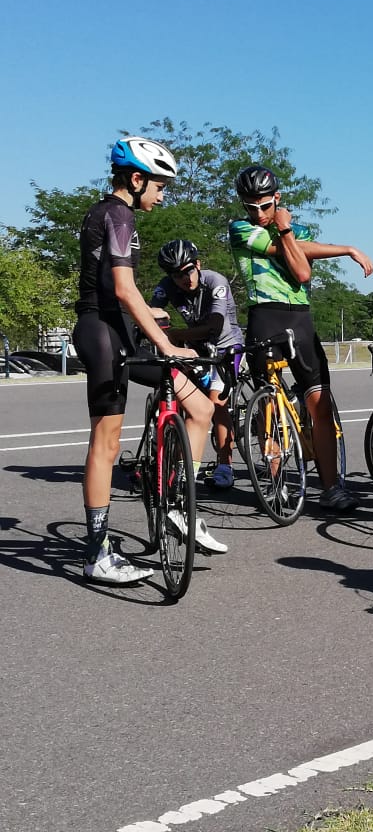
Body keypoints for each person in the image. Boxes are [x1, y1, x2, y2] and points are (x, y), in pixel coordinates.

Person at [74, 137, 226, 585]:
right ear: (137, 179)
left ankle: (178, 504)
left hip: (119, 327)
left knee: (199, 407)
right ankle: (97, 553)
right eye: (160, 186)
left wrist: (151, 315)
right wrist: (165, 343)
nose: (162, 195)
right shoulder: (117, 213)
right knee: (106, 441)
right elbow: (122, 289)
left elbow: (121, 289)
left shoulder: (117, 215)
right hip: (102, 332)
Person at [229, 164, 373, 512]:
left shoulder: (298, 230)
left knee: (319, 406)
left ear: (277, 198)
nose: (258, 213)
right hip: (265, 317)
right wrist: (288, 230)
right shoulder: (241, 229)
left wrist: (338, 246)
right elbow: (302, 270)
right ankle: (276, 483)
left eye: (265, 206)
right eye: (251, 207)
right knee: (269, 409)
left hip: (301, 319)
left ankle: (331, 487)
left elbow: (304, 255)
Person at [151, 239, 245, 488]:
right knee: (181, 398)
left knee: (217, 405)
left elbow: (214, 327)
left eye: (188, 271)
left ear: (198, 265)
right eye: (177, 275)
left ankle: (225, 467)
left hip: (226, 346)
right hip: (195, 348)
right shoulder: (166, 286)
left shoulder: (215, 281)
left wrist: (174, 335)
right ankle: (169, 463)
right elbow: (150, 313)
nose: (185, 279)